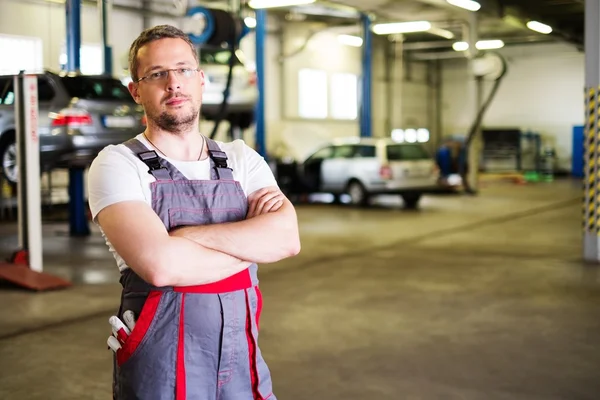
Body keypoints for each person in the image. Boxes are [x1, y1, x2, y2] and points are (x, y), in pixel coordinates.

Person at [87, 24, 301, 400]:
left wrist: (188, 237)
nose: (174, 83)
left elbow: (286, 239)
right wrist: (251, 242)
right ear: (136, 90)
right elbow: (161, 266)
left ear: (201, 80)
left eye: (184, 69)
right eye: (157, 74)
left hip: (242, 362)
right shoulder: (117, 164)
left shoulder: (241, 157)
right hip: (161, 369)